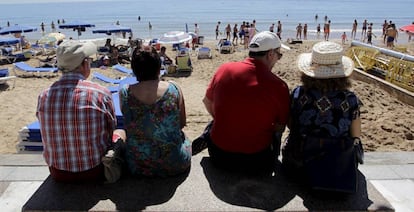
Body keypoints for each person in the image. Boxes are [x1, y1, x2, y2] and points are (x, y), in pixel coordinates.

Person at [193, 31, 290, 174]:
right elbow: (280, 128)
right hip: (257, 162)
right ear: (270, 54)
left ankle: (207, 136)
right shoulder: (279, 86)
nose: (278, 59)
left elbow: (207, 101)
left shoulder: (224, 69)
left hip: (219, 156)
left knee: (215, 122)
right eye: (279, 55)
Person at [282, 41, 363, 193]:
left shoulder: (299, 93)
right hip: (337, 165)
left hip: (300, 163)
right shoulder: (350, 99)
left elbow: (291, 125)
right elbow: (356, 134)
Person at [36, 40, 117, 183]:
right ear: (85, 63)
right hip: (95, 170)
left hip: (58, 173)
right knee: (120, 133)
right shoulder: (100, 93)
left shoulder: (44, 96)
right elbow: (111, 129)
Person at [117, 47, 191, 176]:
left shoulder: (125, 92)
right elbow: (181, 123)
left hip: (137, 165)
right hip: (175, 164)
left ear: (134, 69)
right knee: (185, 137)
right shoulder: (174, 89)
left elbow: (128, 122)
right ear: (158, 66)